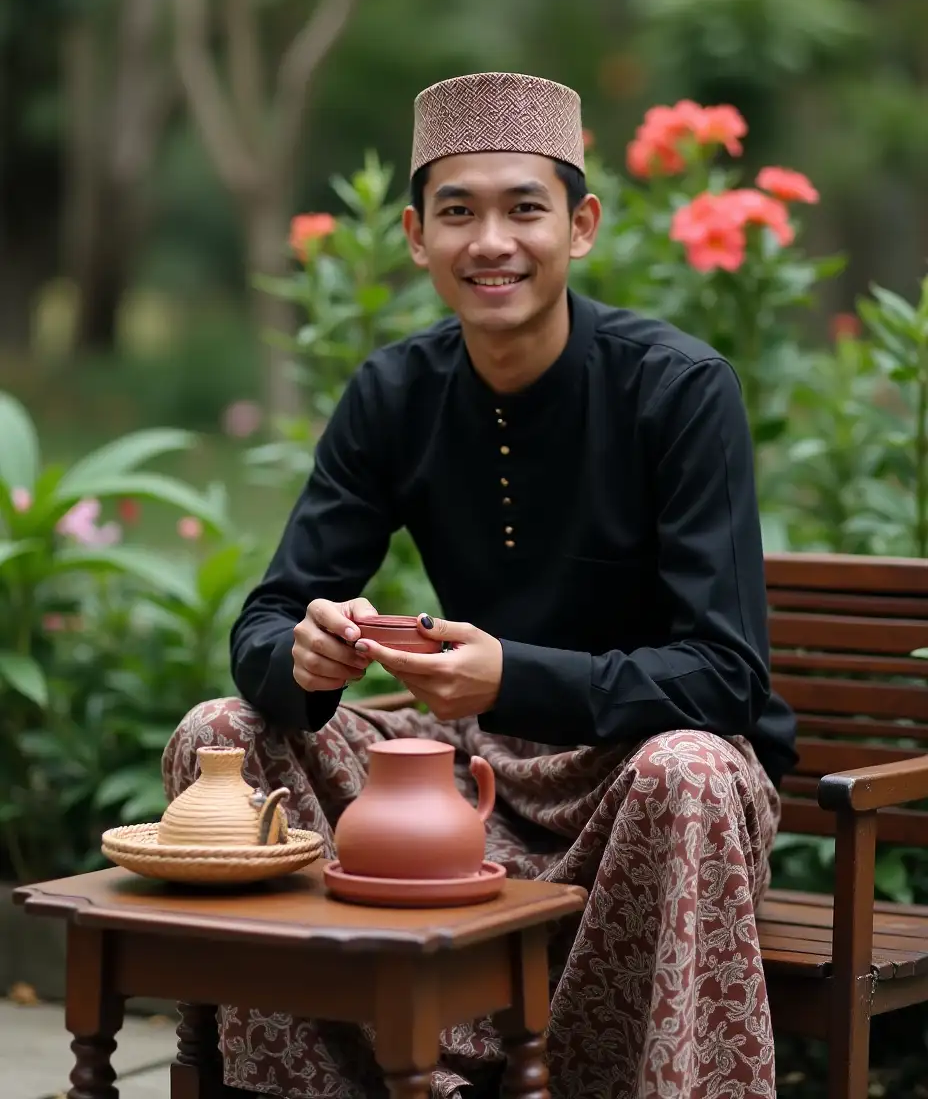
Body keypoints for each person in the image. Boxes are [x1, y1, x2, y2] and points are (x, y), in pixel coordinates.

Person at [163, 71, 798, 1099]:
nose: (490, 241)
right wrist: (305, 657)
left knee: (686, 766)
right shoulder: (393, 392)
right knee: (222, 733)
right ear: (416, 236)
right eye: (457, 211)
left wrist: (509, 674)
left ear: (580, 224)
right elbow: (270, 618)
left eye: (523, 208)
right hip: (471, 781)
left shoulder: (677, 389)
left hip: (649, 791)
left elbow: (722, 676)